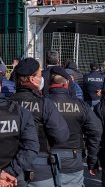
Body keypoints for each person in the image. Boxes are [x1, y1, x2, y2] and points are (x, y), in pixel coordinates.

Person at [10, 58, 69, 187]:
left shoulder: (7, 103)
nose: (42, 78)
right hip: (40, 166)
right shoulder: (44, 104)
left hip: (10, 168)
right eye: (40, 75)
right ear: (32, 79)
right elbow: (61, 136)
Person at [46, 66, 101, 186]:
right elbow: (95, 131)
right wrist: (92, 160)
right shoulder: (80, 105)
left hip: (45, 159)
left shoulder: (42, 103)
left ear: (49, 83)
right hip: (72, 157)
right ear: (66, 83)